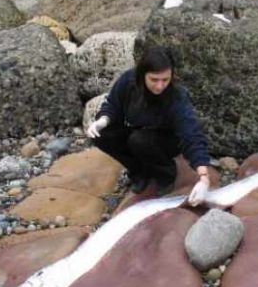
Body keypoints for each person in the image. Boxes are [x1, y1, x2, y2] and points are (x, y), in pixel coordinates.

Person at [86, 46, 211, 206]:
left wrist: (204, 178)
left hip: (166, 140)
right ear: (142, 75)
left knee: (139, 140)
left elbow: (191, 134)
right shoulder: (128, 81)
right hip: (139, 130)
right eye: (154, 80)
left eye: (165, 80)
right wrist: (102, 121)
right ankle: (139, 171)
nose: (160, 86)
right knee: (103, 134)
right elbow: (112, 105)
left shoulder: (177, 97)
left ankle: (166, 174)